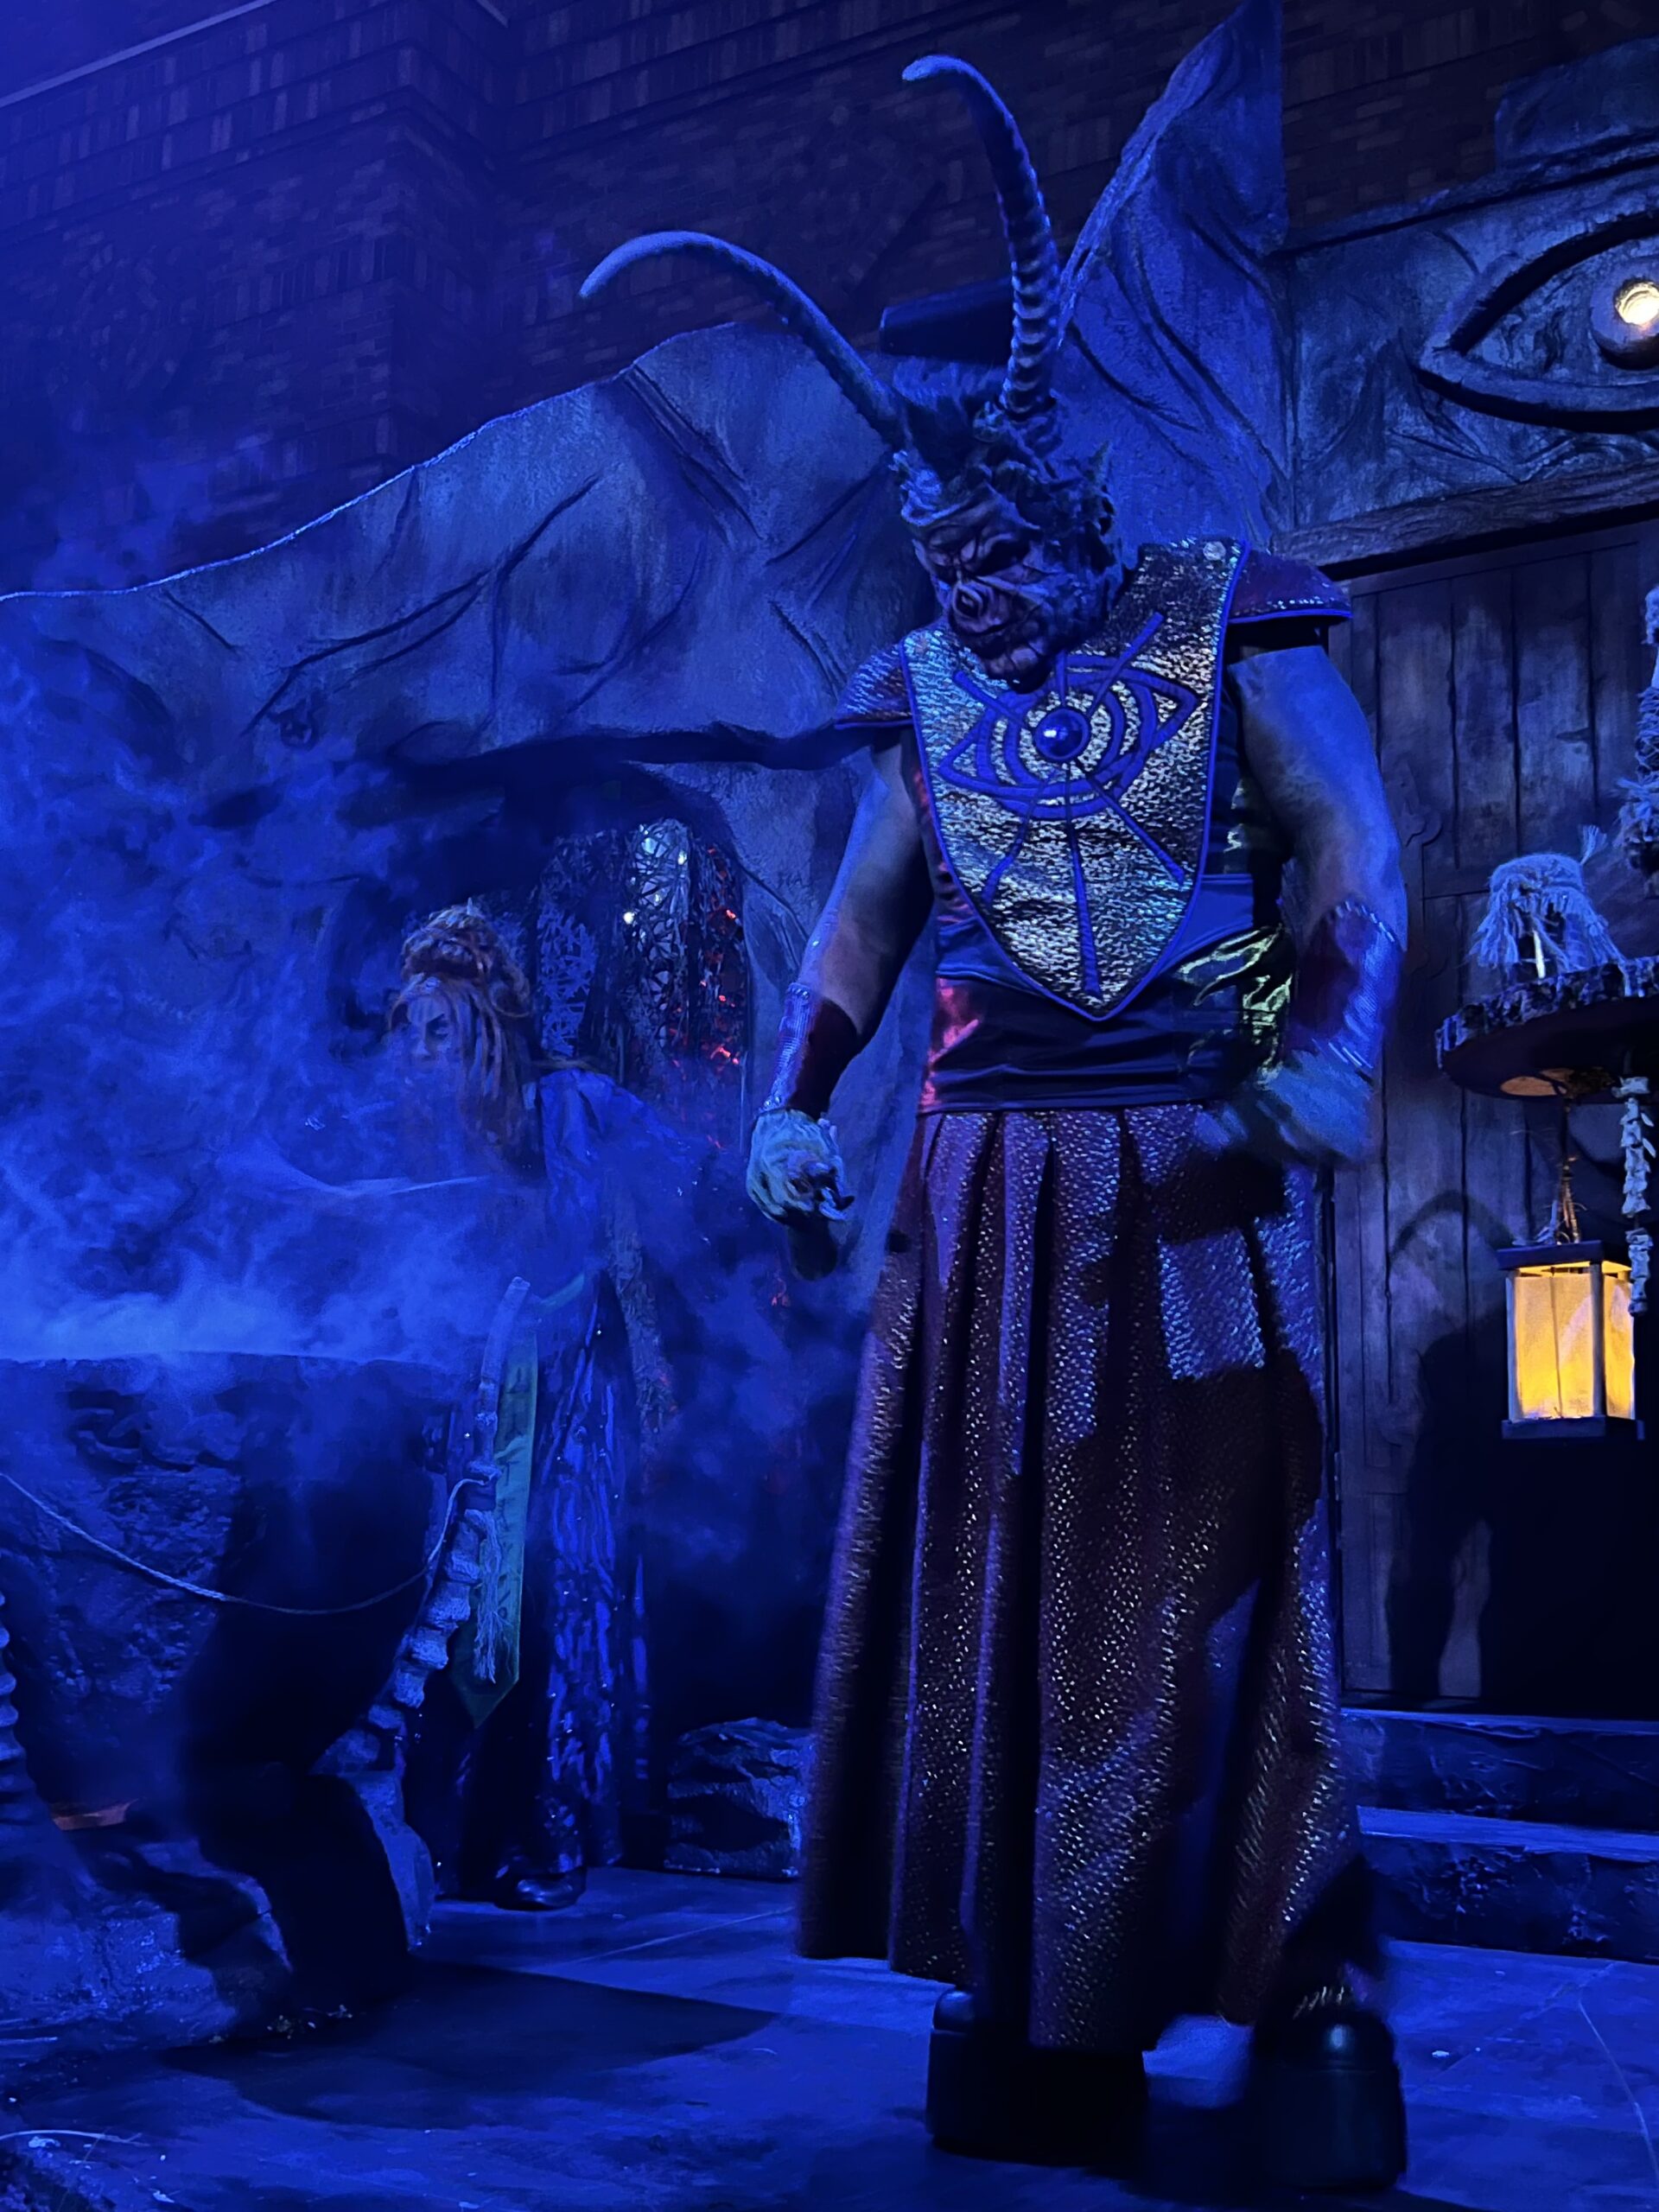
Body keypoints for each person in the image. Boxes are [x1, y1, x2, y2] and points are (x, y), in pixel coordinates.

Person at [583, 57, 1406, 2194]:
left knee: (1213, 1562)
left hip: (1191, 1164)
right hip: (978, 1184)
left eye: (1002, 558)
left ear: (1072, 516)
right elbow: (865, 921)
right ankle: (1033, 1986)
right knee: (997, 1572)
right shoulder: (928, 694)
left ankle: (1303, 1974)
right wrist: (792, 1104)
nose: (978, 599)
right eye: (946, 568)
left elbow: (1347, 843)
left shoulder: (1228, 612)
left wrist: (1324, 1037)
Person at [391, 903, 657, 1910]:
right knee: (446, 1604)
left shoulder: (569, 1107)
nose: (420, 1053)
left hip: (564, 1390)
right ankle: (443, 1831)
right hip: (468, 1391)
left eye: (441, 1032)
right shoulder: (418, 1138)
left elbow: (683, 1183)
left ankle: (544, 1830)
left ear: (485, 1033)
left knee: (549, 1593)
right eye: (410, 1033)